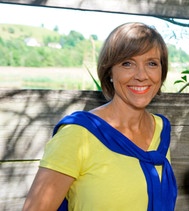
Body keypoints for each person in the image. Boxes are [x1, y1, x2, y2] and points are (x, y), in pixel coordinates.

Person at [23, 22, 177, 211]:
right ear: (109, 72)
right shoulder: (77, 135)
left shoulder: (161, 129)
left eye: (152, 63)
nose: (141, 75)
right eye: (127, 63)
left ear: (162, 72)